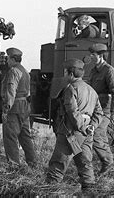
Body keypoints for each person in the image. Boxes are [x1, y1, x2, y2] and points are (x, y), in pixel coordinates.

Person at [46, 58, 103, 190]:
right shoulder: (92, 91)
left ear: (71, 74)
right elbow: (99, 112)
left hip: (70, 133)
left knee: (57, 165)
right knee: (85, 164)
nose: (64, 75)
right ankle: (89, 192)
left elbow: (72, 111)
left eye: (65, 72)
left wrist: (82, 127)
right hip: (87, 133)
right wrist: (91, 127)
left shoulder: (71, 89)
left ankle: (48, 191)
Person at [87, 43, 114, 174]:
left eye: (93, 55)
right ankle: (104, 163)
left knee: (96, 134)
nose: (90, 57)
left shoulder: (109, 71)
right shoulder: (93, 71)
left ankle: (108, 163)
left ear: (101, 56)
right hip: (94, 109)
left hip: (105, 110)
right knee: (96, 135)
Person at [1, 47, 36, 167]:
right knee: (25, 136)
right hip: (25, 107)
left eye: (8, 59)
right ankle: (32, 162)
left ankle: (13, 165)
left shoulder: (13, 71)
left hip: (14, 107)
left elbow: (11, 91)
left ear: (12, 59)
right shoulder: (25, 71)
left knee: (10, 136)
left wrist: (6, 109)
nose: (6, 61)